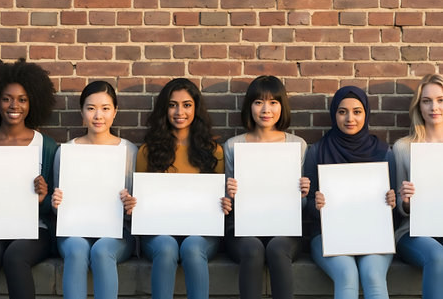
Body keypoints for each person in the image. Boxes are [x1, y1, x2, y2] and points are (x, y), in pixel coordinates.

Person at [134, 78, 229, 299]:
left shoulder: (214, 151)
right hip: (158, 232)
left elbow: (219, 198)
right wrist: (133, 203)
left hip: (202, 232)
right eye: (172, 104)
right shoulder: (148, 151)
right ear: (164, 109)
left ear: (196, 108)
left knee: (193, 247)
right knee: (166, 246)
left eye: (186, 105)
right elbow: (140, 200)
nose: (179, 111)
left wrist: (224, 203)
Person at [305, 86, 396, 299]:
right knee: (347, 275)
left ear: (366, 113)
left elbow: (394, 208)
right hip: (328, 235)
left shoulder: (383, 152)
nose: (350, 118)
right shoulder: (318, 150)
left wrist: (392, 202)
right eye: (342, 111)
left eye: (357, 111)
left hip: (374, 235)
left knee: (373, 276)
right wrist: (316, 206)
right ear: (334, 113)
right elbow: (308, 205)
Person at [223, 75, 310, 299]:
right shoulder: (234, 146)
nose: (266, 109)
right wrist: (229, 193)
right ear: (249, 106)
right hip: (243, 228)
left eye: (273, 102)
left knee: (277, 248)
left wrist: (302, 193)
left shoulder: (296, 145)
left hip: (285, 227)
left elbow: (301, 205)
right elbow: (226, 204)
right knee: (252, 248)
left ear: (282, 106)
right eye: (258, 102)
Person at [51, 81, 137, 299]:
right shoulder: (66, 152)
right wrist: (56, 203)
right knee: (77, 250)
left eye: (105, 108)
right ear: (82, 112)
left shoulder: (129, 151)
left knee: (101, 251)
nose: (98, 115)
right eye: (91, 108)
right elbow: (57, 210)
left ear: (115, 112)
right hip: (74, 229)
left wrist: (131, 205)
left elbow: (138, 209)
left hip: (117, 231)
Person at [0, 59, 58, 299]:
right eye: (6, 98)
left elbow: (55, 202)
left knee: (15, 256)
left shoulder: (46, 146)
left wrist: (43, 196)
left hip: (33, 229)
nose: (14, 105)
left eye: (22, 99)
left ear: (32, 103)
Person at [393, 73, 443, 299]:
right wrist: (405, 201)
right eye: (427, 101)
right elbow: (400, 210)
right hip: (414, 231)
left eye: (441, 100)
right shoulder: (403, 147)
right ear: (419, 107)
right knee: (436, 256)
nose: (434, 107)